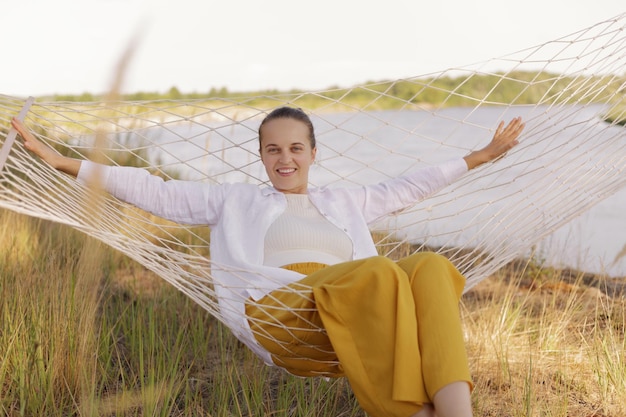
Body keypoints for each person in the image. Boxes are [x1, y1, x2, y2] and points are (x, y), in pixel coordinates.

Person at [12, 108, 524, 417]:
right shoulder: (234, 202)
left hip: (355, 306)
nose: (285, 158)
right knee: (382, 272)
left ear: (313, 152)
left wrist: (480, 156)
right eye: (273, 149)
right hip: (281, 316)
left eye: (296, 148)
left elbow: (407, 187)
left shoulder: (347, 201)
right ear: (260, 155)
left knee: (431, 266)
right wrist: (64, 163)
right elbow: (156, 192)